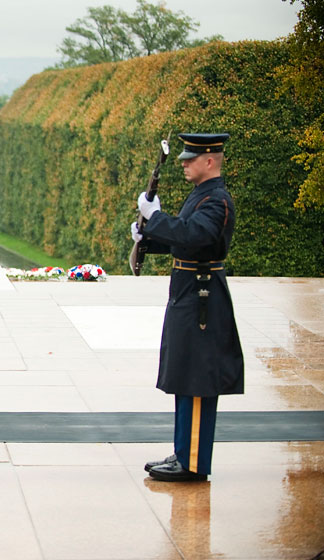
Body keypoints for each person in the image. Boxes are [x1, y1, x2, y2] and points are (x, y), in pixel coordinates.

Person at [131, 132, 244, 482]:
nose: (183, 163)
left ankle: (192, 461)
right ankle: (184, 450)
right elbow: (187, 242)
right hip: (190, 292)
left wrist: (158, 218)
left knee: (196, 378)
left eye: (190, 159)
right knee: (185, 375)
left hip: (202, 299)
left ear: (209, 161)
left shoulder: (217, 201)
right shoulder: (202, 196)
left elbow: (195, 235)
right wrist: (148, 235)